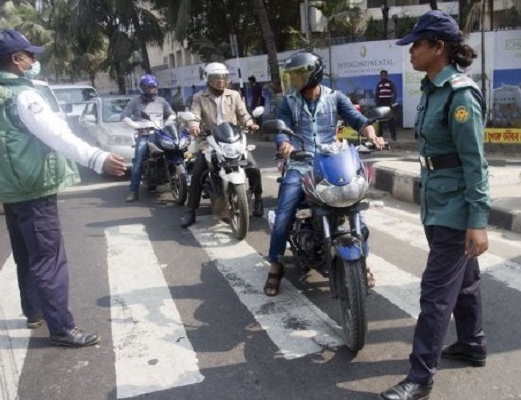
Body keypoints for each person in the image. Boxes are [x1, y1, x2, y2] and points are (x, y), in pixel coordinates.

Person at [0, 29, 126, 347]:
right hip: (33, 187)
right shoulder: (24, 96)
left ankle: (34, 311)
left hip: (10, 188)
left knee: (26, 254)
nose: (34, 61)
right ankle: (62, 327)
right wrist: (97, 157)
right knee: (48, 258)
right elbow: (56, 134)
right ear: (16, 59)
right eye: (30, 55)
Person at [379, 11, 490, 400]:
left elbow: (475, 163)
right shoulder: (432, 89)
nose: (410, 51)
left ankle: (420, 376)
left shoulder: (460, 94)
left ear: (438, 48)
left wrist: (477, 220)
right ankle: (472, 343)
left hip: (455, 209)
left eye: (417, 44)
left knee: (435, 293)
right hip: (437, 201)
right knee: (467, 280)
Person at [264, 52, 385, 297]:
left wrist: (372, 135)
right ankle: (276, 266)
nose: (295, 79)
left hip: (331, 161)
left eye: (299, 74)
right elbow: (282, 130)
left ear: (313, 75)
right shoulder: (288, 102)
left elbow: (358, 120)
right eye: (293, 75)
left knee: (355, 206)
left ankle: (364, 261)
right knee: (285, 213)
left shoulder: (335, 98)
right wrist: (285, 144)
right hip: (301, 163)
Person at [180, 62, 263, 228]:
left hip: (233, 139)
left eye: (223, 77)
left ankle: (259, 199)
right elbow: (194, 116)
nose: (220, 81)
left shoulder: (234, 95)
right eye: (216, 78)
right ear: (208, 79)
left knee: (253, 167)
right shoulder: (199, 97)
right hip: (210, 141)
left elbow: (243, 113)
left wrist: (250, 123)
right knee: (197, 174)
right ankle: (191, 211)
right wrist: (194, 126)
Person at [121, 74, 175, 202]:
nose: (151, 90)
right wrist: (135, 125)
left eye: (153, 87)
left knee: (177, 149)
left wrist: (169, 121)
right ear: (142, 88)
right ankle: (133, 191)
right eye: (148, 87)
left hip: (160, 133)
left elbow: (171, 114)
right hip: (145, 134)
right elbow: (124, 116)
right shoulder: (135, 101)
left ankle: (184, 179)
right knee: (138, 161)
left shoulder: (162, 101)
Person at [375, 69, 398, 141]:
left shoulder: (390, 83)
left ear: (387, 75)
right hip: (380, 104)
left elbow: (395, 93)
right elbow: (376, 94)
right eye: (382, 75)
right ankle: (380, 136)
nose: (383, 76)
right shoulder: (379, 84)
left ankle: (393, 136)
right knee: (380, 121)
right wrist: (377, 103)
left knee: (391, 120)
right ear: (380, 76)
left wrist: (392, 103)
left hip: (388, 104)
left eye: (384, 75)